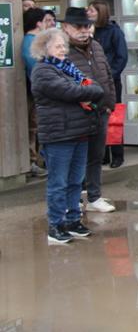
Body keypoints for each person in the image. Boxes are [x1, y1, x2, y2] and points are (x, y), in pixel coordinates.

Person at [30, 27, 105, 244]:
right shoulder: (43, 71)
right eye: (57, 46)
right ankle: (56, 225)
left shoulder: (68, 69)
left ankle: (73, 221)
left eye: (64, 45)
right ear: (45, 49)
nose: (63, 49)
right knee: (58, 183)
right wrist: (88, 91)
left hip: (79, 132)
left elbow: (93, 86)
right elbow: (73, 92)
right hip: (58, 135)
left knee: (75, 182)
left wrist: (88, 91)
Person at [61, 7, 117, 214]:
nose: (84, 30)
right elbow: (61, 83)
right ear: (66, 27)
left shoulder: (96, 46)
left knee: (96, 156)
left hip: (100, 111)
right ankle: (73, 200)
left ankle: (94, 197)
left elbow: (108, 75)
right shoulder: (61, 50)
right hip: (76, 113)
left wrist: (110, 103)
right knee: (74, 160)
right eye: (79, 26)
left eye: (87, 26)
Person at [87, 0, 129, 168]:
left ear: (100, 12)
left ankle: (117, 154)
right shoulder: (88, 31)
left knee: (114, 117)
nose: (88, 13)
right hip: (92, 83)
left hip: (111, 82)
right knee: (96, 116)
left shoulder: (114, 31)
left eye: (91, 10)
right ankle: (102, 154)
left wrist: (109, 76)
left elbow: (122, 57)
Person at [22, 8, 56, 178]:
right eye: (45, 21)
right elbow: (38, 70)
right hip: (42, 93)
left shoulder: (31, 41)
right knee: (37, 128)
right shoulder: (31, 43)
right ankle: (36, 161)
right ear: (38, 23)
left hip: (41, 92)